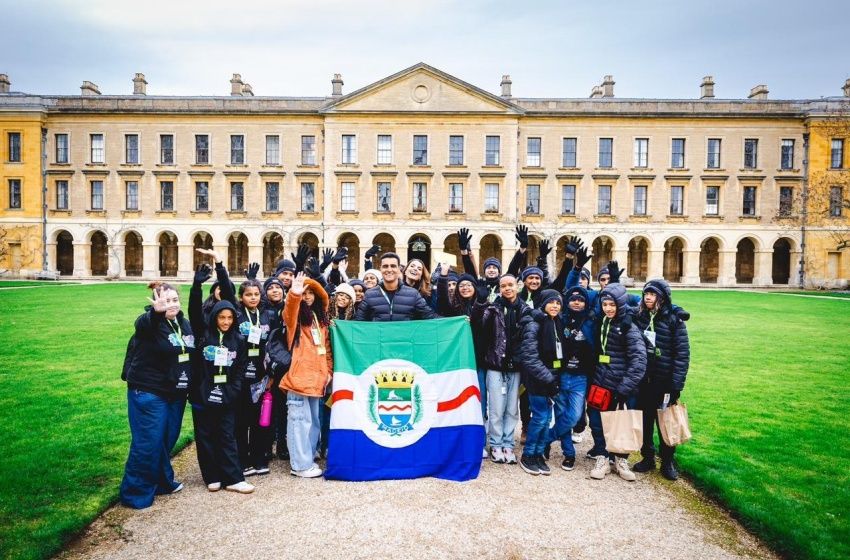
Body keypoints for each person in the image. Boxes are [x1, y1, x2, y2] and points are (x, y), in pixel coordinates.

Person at [119, 282, 193, 509]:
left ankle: (162, 481)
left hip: (175, 391)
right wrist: (155, 312)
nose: (170, 304)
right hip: (149, 391)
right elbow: (142, 324)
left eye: (174, 300)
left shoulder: (183, 323)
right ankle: (135, 493)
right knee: (148, 442)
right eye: (164, 301)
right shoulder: (150, 323)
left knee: (166, 439)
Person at [188, 264, 254, 494]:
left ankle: (233, 477)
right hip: (203, 393)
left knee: (227, 435)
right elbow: (194, 312)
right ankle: (212, 476)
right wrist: (196, 286)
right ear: (215, 317)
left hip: (226, 394)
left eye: (229, 318)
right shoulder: (204, 334)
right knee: (205, 435)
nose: (225, 321)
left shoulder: (238, 339)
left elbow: (240, 369)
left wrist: (231, 392)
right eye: (221, 317)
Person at [587, 283, 647, 482]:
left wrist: (625, 387)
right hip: (601, 381)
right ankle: (603, 457)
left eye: (612, 304)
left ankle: (620, 459)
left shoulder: (628, 326)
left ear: (620, 304)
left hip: (622, 384)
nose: (608, 308)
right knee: (597, 421)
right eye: (605, 304)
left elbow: (639, 360)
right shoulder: (603, 321)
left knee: (622, 423)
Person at [632, 279, 690, 480]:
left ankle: (667, 461)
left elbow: (682, 355)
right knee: (645, 421)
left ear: (662, 297)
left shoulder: (674, 320)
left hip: (664, 381)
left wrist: (676, 385)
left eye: (653, 294)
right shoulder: (639, 316)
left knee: (666, 421)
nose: (648, 297)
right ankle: (647, 457)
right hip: (643, 380)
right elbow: (616, 302)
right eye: (646, 293)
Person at [471, 274, 531, 465]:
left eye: (510, 285)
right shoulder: (493, 308)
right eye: (503, 286)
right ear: (499, 288)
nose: (507, 288)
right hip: (496, 364)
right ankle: (495, 443)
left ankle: (508, 443)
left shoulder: (525, 309)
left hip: (516, 366)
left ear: (517, 286)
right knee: (496, 407)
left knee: (512, 409)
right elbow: (478, 324)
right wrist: (480, 302)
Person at [280, 272, 333, 478]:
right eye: (305, 293)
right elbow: (289, 311)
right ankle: (300, 465)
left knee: (313, 423)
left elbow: (326, 350)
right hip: (299, 379)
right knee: (299, 422)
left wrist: (328, 371)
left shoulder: (320, 323)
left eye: (311, 293)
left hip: (317, 380)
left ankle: (308, 458)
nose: (308, 296)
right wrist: (294, 293)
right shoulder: (295, 323)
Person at [516, 289, 563, 475]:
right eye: (551, 302)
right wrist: (549, 378)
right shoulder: (534, 324)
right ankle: (528, 455)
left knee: (546, 419)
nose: (555, 306)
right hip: (537, 379)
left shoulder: (555, 322)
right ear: (543, 304)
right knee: (541, 417)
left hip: (550, 378)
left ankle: (538, 454)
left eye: (558, 303)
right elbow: (530, 357)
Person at [547, 285, 594, 471]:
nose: (576, 302)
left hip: (580, 376)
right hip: (562, 373)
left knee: (573, 416)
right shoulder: (560, 319)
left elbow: (616, 298)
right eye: (573, 299)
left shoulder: (591, 321)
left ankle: (546, 439)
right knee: (561, 414)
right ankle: (569, 454)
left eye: (581, 299)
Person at [354, 252, 437, 321]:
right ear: (381, 269)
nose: (389, 270)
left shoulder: (413, 294)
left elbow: (431, 317)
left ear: (398, 269)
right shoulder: (369, 294)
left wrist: (450, 324)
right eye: (385, 266)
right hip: (379, 340)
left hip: (404, 340)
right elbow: (358, 323)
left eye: (393, 266)